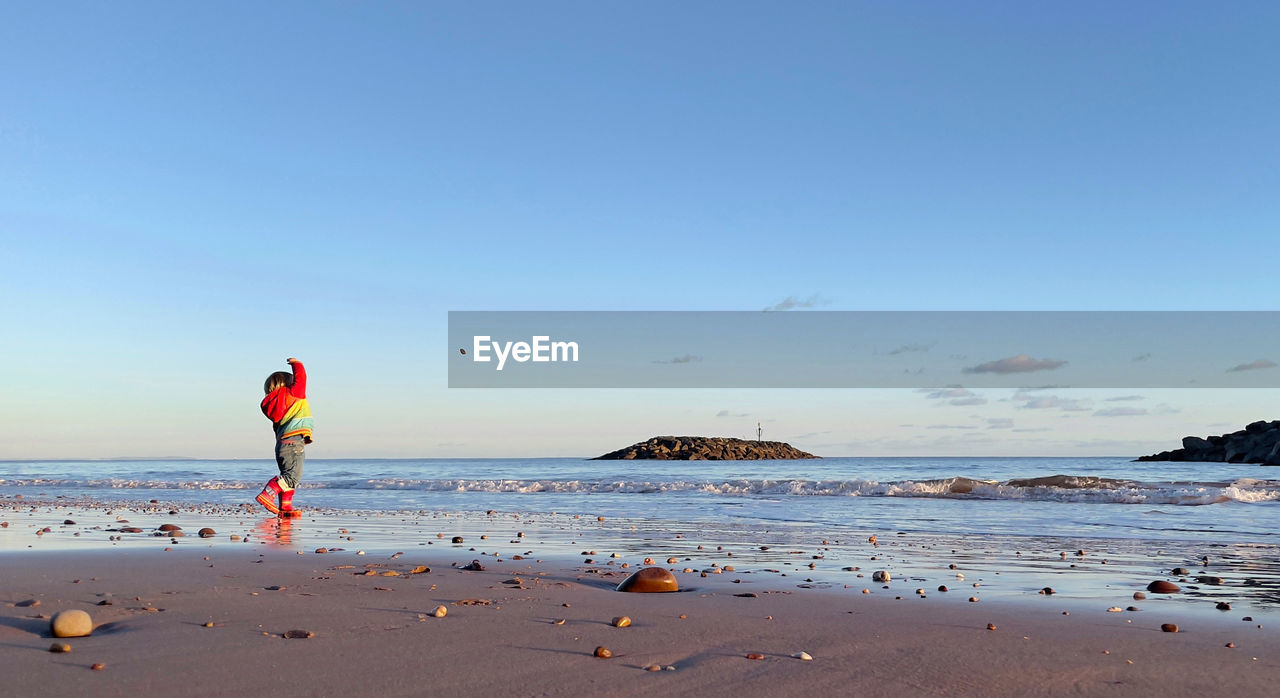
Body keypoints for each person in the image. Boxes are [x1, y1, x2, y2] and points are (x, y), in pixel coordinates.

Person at [256, 358, 313, 517]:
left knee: (288, 474)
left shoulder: (271, 404)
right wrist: (297, 364)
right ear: (290, 384)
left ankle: (286, 506)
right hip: (294, 441)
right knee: (292, 476)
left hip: (282, 444)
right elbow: (302, 378)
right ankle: (268, 494)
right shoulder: (293, 394)